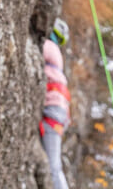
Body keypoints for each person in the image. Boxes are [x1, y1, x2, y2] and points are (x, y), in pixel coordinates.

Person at [40, 18, 71, 189]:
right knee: (54, 165)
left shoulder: (49, 48)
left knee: (53, 166)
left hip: (53, 112)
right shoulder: (57, 54)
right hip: (58, 112)